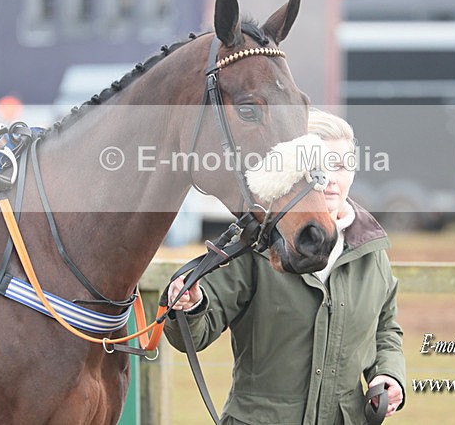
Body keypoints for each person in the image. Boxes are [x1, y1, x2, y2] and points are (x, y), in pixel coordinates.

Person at [164, 108, 406, 424]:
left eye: (344, 165)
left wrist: (389, 374)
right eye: (321, 166)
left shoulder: (369, 247)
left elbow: (386, 327)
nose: (332, 179)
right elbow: (191, 337)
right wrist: (190, 304)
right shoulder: (256, 244)